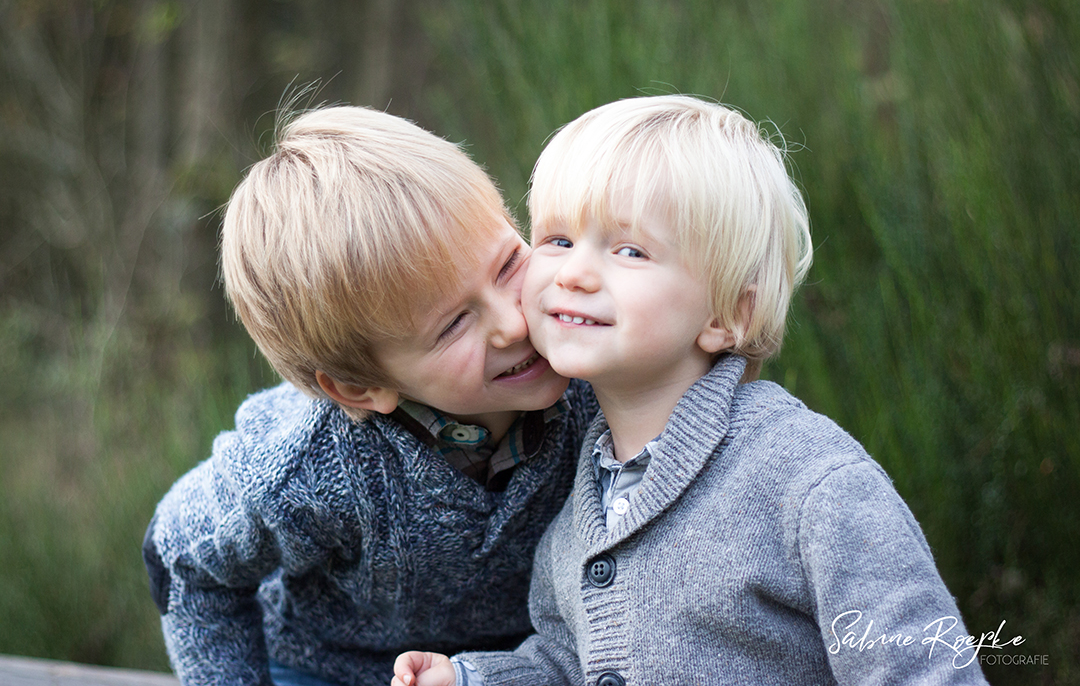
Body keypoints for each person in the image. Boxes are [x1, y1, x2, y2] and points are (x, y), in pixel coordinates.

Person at [393, 96, 989, 685]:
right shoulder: (581, 506)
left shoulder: (808, 483)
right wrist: (472, 678)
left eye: (630, 250)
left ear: (727, 313)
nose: (574, 272)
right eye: (557, 240)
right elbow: (569, 663)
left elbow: (921, 667)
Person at [142, 105, 599, 686]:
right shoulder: (306, 468)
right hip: (326, 667)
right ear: (360, 386)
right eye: (454, 324)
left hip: (511, 668)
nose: (512, 323)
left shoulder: (595, 376)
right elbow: (181, 554)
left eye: (509, 263)